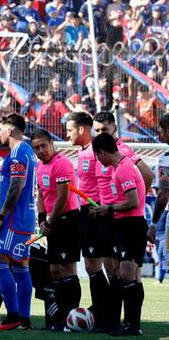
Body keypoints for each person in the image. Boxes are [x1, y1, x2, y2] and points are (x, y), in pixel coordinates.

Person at [91, 133, 147, 337]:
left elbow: (132, 201)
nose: (99, 162)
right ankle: (130, 323)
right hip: (127, 225)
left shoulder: (123, 169)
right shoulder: (122, 167)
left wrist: (109, 208)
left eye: (98, 157)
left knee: (127, 273)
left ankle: (133, 325)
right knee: (127, 274)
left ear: (102, 152)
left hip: (131, 225)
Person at [0, 113, 37, 331]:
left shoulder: (18, 153)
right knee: (20, 267)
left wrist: (1, 217)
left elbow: (16, 185)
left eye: (0, 129)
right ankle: (24, 320)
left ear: (9, 131)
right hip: (24, 218)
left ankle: (13, 315)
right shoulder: (26, 152)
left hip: (14, 219)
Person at [32, 129, 82, 331]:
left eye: (44, 145)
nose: (41, 150)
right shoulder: (39, 166)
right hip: (52, 221)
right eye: (36, 147)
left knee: (67, 268)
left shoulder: (62, 164)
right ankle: (60, 317)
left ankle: (71, 317)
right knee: (54, 270)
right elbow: (42, 196)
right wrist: (42, 220)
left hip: (67, 220)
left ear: (51, 143)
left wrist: (49, 223)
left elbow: (62, 197)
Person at [65, 111, 111, 331]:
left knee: (98, 264)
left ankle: (105, 313)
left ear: (82, 129)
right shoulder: (83, 152)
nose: (67, 135)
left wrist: (100, 207)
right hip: (85, 212)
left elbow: (106, 179)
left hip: (95, 213)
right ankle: (102, 309)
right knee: (92, 264)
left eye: (70, 130)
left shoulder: (96, 151)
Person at [148, 114, 169, 272]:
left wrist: (154, 224)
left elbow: (163, 196)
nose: (159, 134)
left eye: (161, 130)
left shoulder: (166, 160)